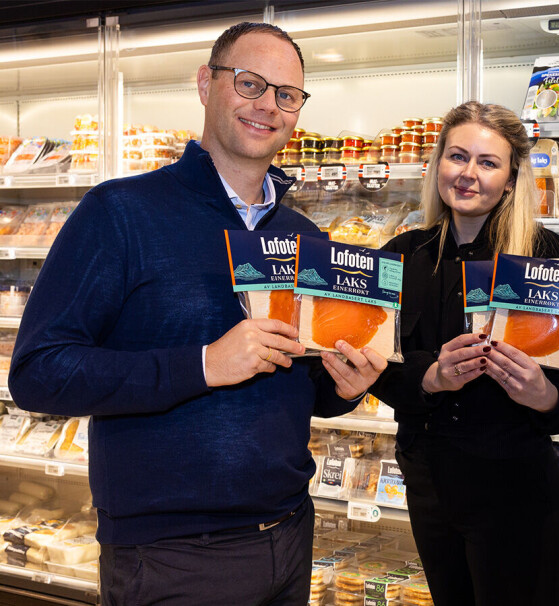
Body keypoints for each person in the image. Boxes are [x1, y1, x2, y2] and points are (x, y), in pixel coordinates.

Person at [9, 22, 386, 605]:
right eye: (249, 83)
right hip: (171, 555)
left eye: (287, 94)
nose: (268, 105)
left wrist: (345, 387)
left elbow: (303, 388)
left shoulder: (304, 236)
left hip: (289, 537)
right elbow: (39, 371)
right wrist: (204, 363)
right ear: (206, 86)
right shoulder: (121, 213)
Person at [370, 101, 559, 606]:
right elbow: (376, 366)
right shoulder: (403, 256)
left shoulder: (549, 259)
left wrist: (541, 393)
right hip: (430, 491)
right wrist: (432, 378)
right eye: (457, 157)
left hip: (518, 498)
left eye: (488, 163)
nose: (468, 174)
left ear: (511, 179)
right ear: (437, 165)